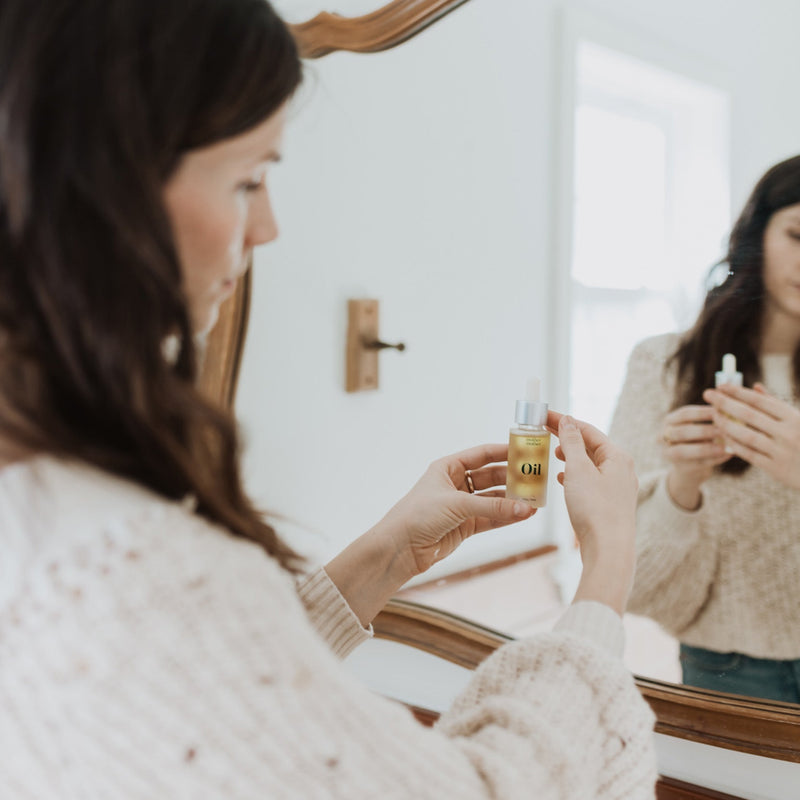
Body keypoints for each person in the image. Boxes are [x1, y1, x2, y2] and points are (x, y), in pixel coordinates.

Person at [0, 1, 657, 797]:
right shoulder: (128, 565)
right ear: (101, 185)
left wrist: (387, 553)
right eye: (249, 178)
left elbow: (215, 701)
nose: (268, 227)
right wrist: (606, 573)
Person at [610, 155, 800, 703]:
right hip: (728, 665)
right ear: (757, 232)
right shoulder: (662, 366)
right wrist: (681, 486)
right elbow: (635, 582)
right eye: (798, 233)